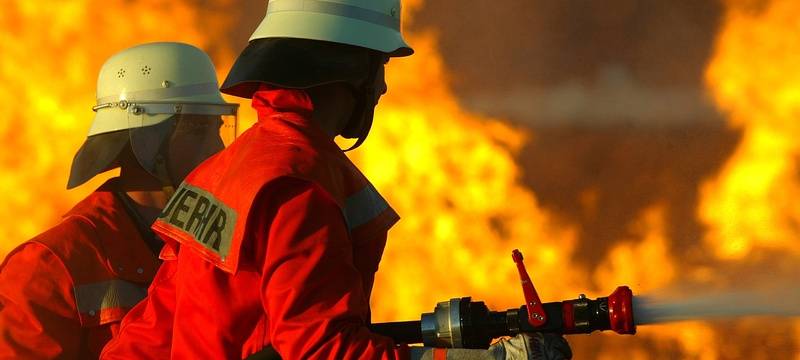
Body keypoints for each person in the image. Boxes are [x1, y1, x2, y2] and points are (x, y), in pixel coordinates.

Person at [101, 1, 572, 359]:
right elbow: (320, 348)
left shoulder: (225, 168)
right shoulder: (298, 184)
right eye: (378, 67)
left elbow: (152, 328)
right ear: (342, 70)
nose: (383, 87)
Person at [0, 42, 238, 359]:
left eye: (219, 129)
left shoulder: (221, 245)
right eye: (199, 130)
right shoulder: (49, 268)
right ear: (148, 140)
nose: (219, 150)